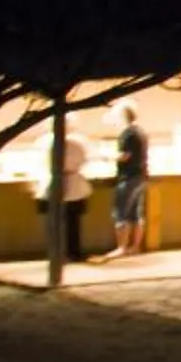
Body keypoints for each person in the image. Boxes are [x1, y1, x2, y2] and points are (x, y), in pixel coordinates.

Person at [99, 106, 149, 261]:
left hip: (128, 177)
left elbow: (125, 155)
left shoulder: (127, 134)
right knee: (137, 213)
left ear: (122, 117)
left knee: (120, 213)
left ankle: (121, 247)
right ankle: (135, 247)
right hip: (141, 176)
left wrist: (107, 156)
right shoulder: (140, 132)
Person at [39, 129, 90, 261]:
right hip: (75, 186)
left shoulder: (48, 143)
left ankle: (57, 252)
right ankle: (74, 253)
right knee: (73, 223)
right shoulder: (77, 144)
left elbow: (44, 163)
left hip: (57, 185)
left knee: (56, 223)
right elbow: (84, 160)